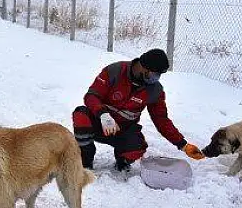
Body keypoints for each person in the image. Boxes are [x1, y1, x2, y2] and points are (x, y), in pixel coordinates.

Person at [72, 48, 204, 171]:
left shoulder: (155, 91)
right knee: (80, 114)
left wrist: (183, 145)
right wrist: (103, 115)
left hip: (123, 130)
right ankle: (85, 161)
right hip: (100, 122)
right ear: (142, 66)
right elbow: (91, 96)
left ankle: (122, 162)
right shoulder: (115, 71)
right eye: (154, 74)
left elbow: (161, 120)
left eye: (159, 75)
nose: (156, 78)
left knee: (138, 148)